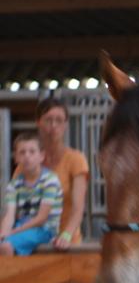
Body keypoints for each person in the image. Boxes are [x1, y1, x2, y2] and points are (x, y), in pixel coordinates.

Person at [35, 97, 88, 248]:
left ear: (65, 125)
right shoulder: (29, 160)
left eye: (59, 120)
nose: (53, 126)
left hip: (66, 244)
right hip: (34, 244)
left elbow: (78, 208)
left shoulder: (76, 159)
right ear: (38, 122)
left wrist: (66, 235)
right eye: (48, 120)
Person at [1, 132, 63, 256]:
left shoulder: (50, 180)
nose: (27, 156)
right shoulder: (14, 184)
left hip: (45, 229)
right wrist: (3, 233)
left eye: (32, 151)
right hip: (21, 226)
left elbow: (42, 218)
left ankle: (14, 275)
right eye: (22, 152)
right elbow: (10, 215)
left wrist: (14, 232)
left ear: (42, 156)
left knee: (6, 246)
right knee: (3, 242)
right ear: (16, 158)